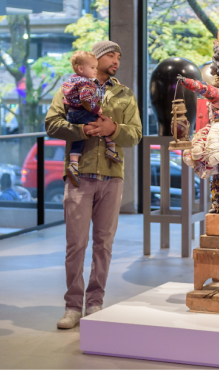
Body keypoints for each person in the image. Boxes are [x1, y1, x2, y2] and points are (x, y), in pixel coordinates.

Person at [45, 41, 142, 329]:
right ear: (97, 58)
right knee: (76, 244)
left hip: (112, 177)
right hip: (79, 176)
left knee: (104, 244)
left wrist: (114, 129)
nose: (117, 60)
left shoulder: (125, 95)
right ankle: (73, 306)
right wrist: (82, 129)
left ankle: (95, 301)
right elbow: (51, 123)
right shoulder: (70, 87)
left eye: (120, 56)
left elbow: (135, 135)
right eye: (112, 54)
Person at [62, 51, 122, 187]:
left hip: (72, 114)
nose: (94, 70)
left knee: (77, 141)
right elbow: (86, 100)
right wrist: (96, 109)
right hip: (84, 113)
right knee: (103, 122)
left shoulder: (70, 80)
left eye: (118, 58)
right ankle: (111, 148)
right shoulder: (86, 83)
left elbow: (66, 98)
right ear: (81, 69)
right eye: (92, 67)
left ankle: (73, 164)